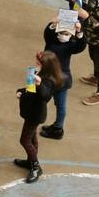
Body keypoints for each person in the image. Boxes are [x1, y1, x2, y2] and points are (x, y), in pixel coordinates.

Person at [16, 52, 62, 184]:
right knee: (31, 137)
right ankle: (30, 160)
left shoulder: (49, 80)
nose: (35, 65)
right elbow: (30, 89)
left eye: (38, 63)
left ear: (46, 66)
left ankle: (35, 166)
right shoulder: (38, 74)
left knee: (24, 140)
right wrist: (21, 91)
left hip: (35, 114)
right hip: (30, 111)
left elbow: (45, 96)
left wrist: (39, 84)